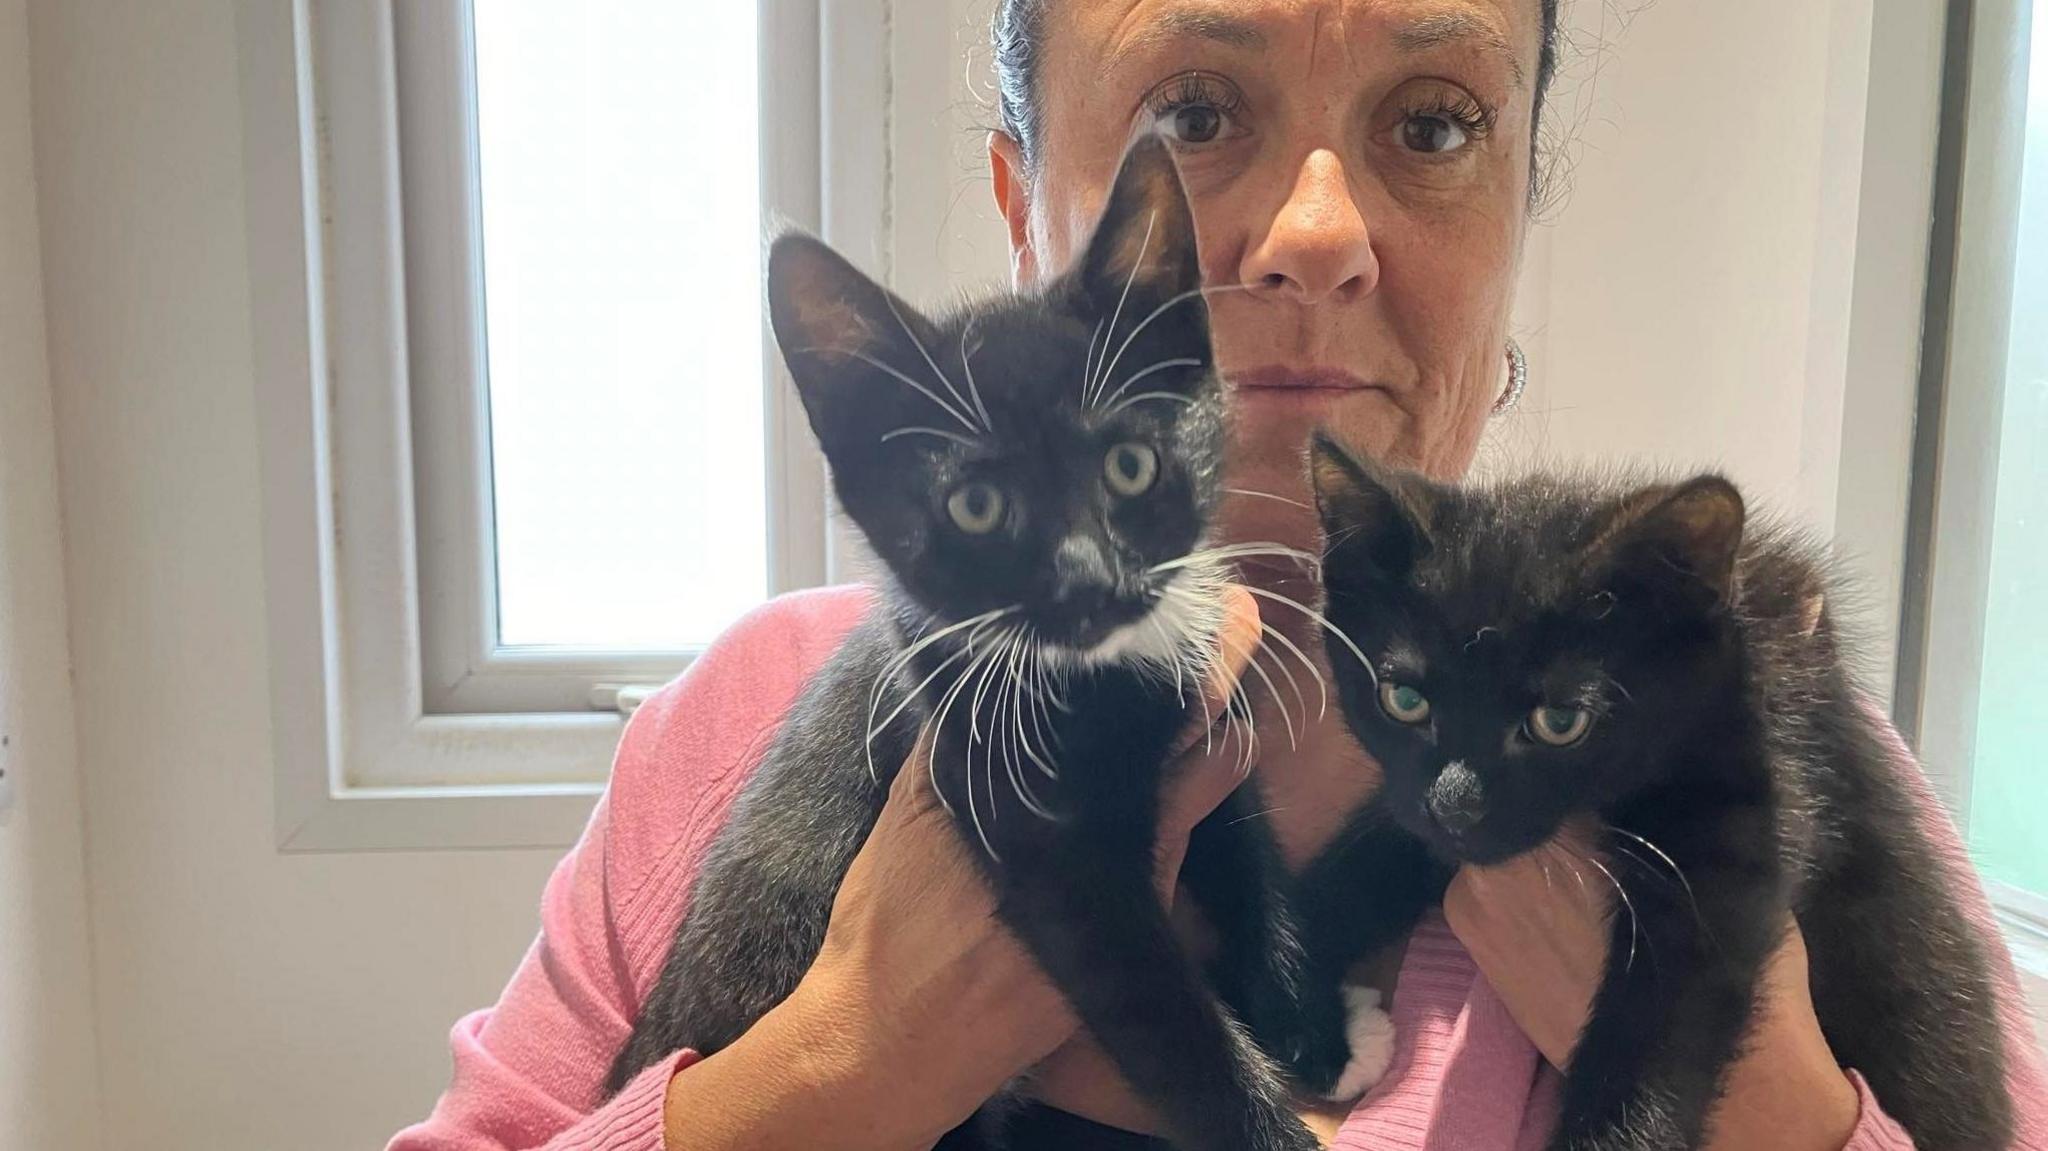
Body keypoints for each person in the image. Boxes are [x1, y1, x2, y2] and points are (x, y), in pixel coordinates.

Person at [389, 3, 2048, 1148]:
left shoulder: (1715, 731)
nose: (1319, 227)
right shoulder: (749, 731)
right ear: (1028, 198)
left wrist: (1772, 1112)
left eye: (1432, 121)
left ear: (1519, 207)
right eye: (1194, 111)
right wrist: (836, 1073)